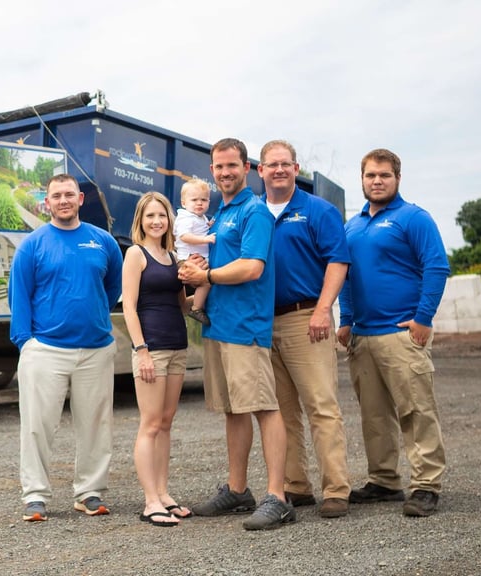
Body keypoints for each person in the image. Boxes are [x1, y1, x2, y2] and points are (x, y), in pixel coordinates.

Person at [178, 138, 295, 530]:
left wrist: (205, 276)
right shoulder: (220, 213)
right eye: (219, 167)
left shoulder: (254, 212)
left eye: (232, 166)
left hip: (246, 326)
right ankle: (238, 489)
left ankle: (278, 497)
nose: (225, 173)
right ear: (211, 172)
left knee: (265, 406)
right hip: (220, 324)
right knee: (233, 409)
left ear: (247, 168)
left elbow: (252, 268)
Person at [336, 148, 451, 517]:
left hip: (402, 332)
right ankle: (384, 480)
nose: (377, 181)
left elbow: (436, 267)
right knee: (374, 415)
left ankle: (426, 485)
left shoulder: (413, 218)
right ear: (362, 179)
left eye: (384, 175)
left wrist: (423, 318)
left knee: (416, 411)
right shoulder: (352, 226)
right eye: (371, 175)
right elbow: (347, 276)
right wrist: (346, 320)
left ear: (397, 178)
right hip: (363, 335)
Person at [9, 173, 124, 522]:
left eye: (69, 194)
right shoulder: (33, 245)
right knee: (37, 426)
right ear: (47, 202)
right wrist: (25, 343)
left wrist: (90, 316)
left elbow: (112, 289)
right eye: (56, 195)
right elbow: (20, 296)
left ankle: (89, 492)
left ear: (80, 200)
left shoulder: (103, 242)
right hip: (45, 348)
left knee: (94, 425)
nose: (63, 200)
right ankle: (35, 496)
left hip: (95, 350)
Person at [259, 140, 352, 519]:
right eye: (272, 164)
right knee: (281, 412)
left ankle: (336, 489)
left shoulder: (318, 211)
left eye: (286, 164)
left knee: (321, 407)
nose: (279, 170)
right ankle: (296, 487)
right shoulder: (253, 212)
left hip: (306, 317)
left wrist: (323, 310)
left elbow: (338, 260)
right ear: (260, 170)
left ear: (297, 169)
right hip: (264, 321)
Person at [122, 191, 192, 527]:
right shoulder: (135, 255)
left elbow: (185, 306)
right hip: (152, 349)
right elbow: (129, 307)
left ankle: (164, 493)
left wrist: (203, 280)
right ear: (141, 220)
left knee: (166, 423)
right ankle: (150, 501)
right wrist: (142, 350)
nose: (156, 221)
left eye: (161, 215)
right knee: (150, 424)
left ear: (169, 220)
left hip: (178, 346)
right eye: (150, 216)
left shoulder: (173, 256)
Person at [174, 178, 214, 326]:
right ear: (184, 203)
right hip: (187, 259)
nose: (199, 203)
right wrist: (205, 239)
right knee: (206, 281)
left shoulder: (200, 217)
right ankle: (196, 309)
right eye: (194, 200)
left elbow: (200, 227)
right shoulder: (186, 218)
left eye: (204, 199)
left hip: (197, 258)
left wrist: (208, 225)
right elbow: (185, 236)